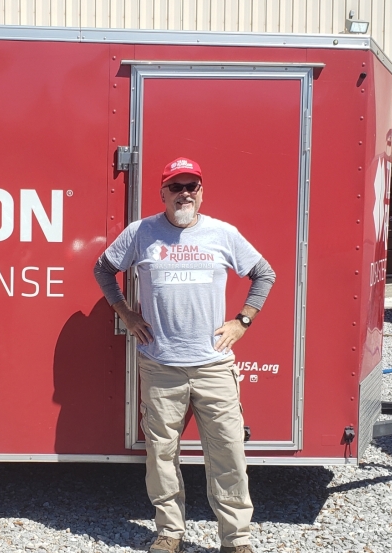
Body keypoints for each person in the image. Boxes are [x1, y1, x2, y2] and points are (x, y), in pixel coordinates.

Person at [93, 157, 275, 553]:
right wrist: (125, 312)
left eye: (192, 185)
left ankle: (236, 539)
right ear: (162, 193)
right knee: (162, 454)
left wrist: (242, 321)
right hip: (161, 367)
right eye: (176, 187)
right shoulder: (140, 233)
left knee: (227, 452)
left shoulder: (223, 234)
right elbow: (103, 269)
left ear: (202, 192)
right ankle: (170, 532)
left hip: (213, 367)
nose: (185, 193)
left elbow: (265, 273)